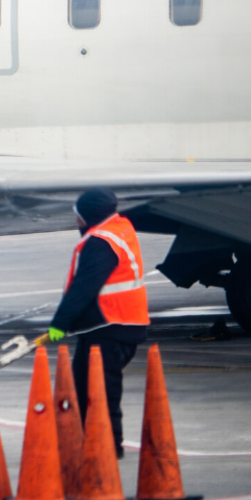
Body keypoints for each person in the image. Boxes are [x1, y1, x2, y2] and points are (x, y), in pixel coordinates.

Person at [48, 188, 149, 458]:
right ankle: (91, 441)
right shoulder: (120, 227)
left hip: (110, 326)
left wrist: (60, 323)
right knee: (85, 386)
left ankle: (109, 447)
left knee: (101, 392)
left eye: (77, 215)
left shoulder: (100, 242)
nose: (76, 221)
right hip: (118, 324)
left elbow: (84, 286)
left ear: (87, 216)